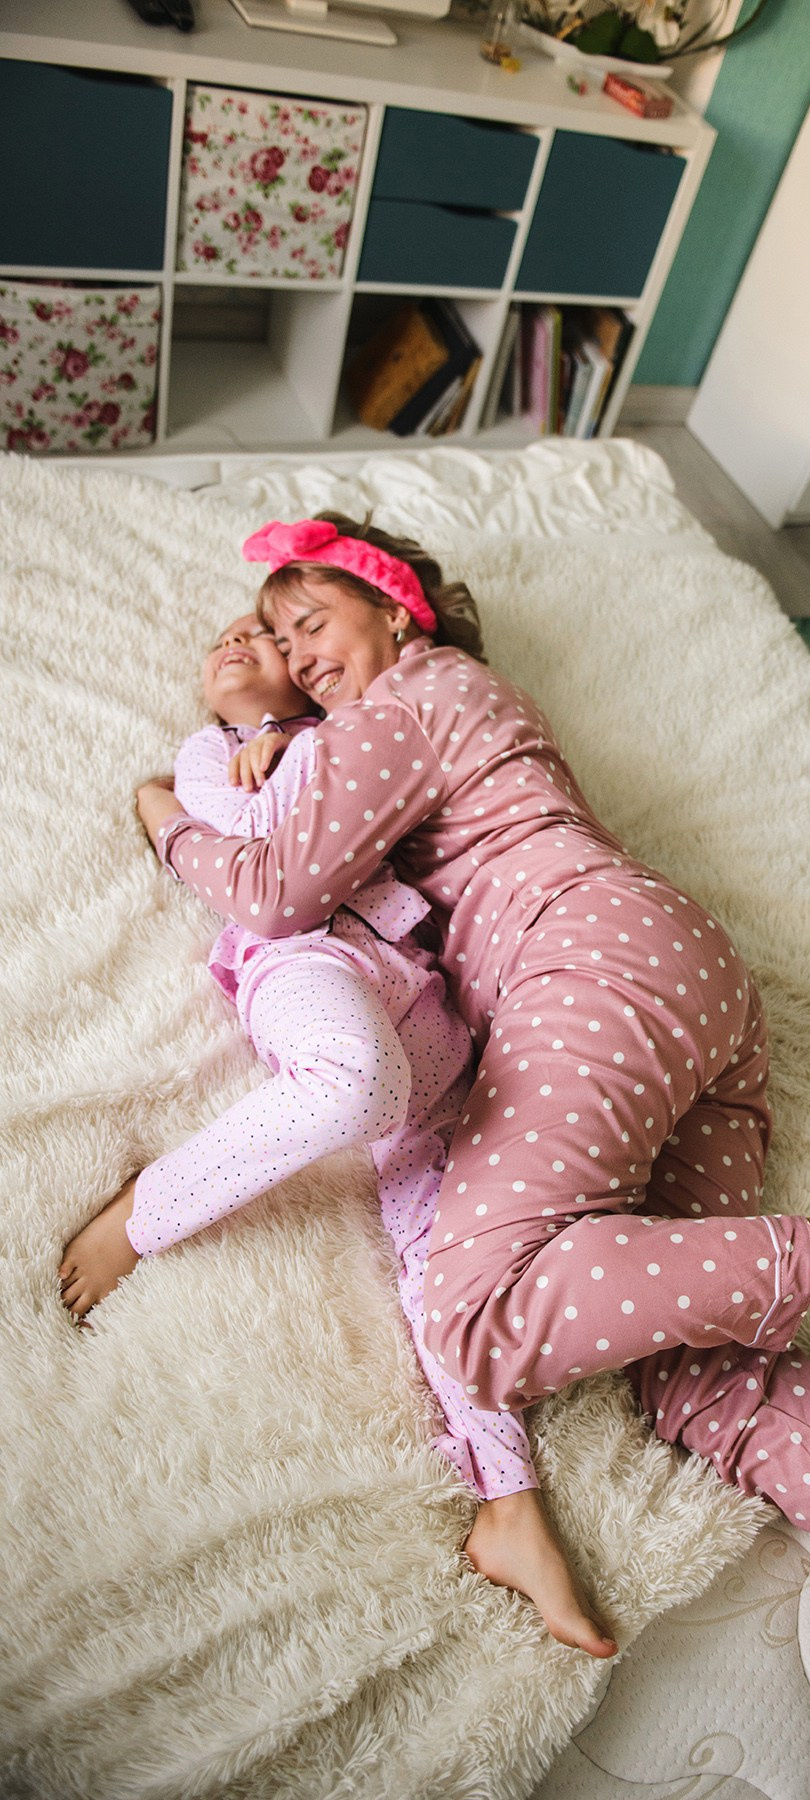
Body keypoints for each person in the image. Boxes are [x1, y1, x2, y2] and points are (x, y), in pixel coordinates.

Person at [134, 515, 810, 1796]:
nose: (294, 649)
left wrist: (161, 812)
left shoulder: (417, 695)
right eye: (276, 636)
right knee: (694, 1381)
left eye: (310, 617)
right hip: (680, 993)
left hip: (589, 968)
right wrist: (263, 728)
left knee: (479, 1321)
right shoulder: (390, 726)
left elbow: (274, 891)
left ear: (395, 606)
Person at [60, 610, 618, 1658]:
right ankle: (151, 1208)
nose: (235, 642)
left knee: (447, 1257)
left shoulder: (360, 731)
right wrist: (226, 774)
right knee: (353, 1084)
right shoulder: (208, 752)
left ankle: (509, 1503)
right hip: (305, 963)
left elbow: (401, 827)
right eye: (223, 639)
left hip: (423, 991)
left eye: (263, 636)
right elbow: (242, 849)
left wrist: (308, 744)